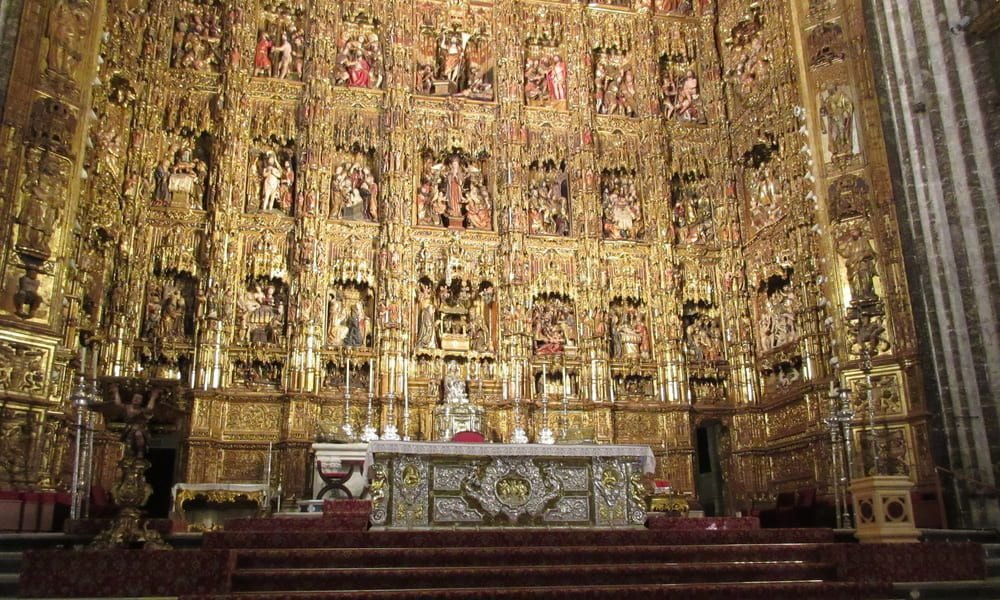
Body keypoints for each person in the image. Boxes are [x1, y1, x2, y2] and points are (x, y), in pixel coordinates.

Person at [110, 383, 160, 459]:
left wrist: (153, 397)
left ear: (141, 401)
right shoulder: (126, 407)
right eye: (135, 397)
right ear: (132, 399)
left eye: (139, 398)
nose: (136, 399)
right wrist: (116, 392)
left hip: (140, 429)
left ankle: (140, 452)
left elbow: (149, 409)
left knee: (138, 434)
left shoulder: (142, 410)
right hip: (128, 429)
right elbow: (118, 404)